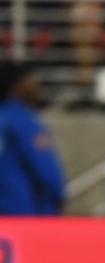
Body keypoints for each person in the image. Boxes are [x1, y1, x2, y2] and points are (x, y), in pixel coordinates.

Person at [0, 62, 65, 216]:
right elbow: (49, 176)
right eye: (32, 80)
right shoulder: (23, 121)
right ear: (19, 85)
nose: (37, 86)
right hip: (21, 215)